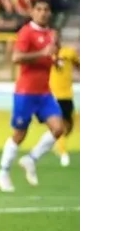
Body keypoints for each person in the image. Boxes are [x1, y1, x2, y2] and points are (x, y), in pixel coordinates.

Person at [0, 0, 65, 192]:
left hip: (44, 93)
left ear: (50, 13)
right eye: (39, 9)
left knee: (59, 128)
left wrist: (56, 61)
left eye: (46, 9)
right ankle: (3, 172)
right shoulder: (26, 32)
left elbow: (52, 55)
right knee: (19, 134)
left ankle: (31, 159)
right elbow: (16, 57)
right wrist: (42, 53)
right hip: (25, 92)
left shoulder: (52, 34)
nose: (43, 12)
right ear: (32, 12)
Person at [49, 36, 80, 167]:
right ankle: (63, 153)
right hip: (54, 95)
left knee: (69, 126)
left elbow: (78, 63)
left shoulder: (68, 53)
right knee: (60, 125)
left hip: (67, 94)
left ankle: (55, 142)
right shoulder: (46, 56)